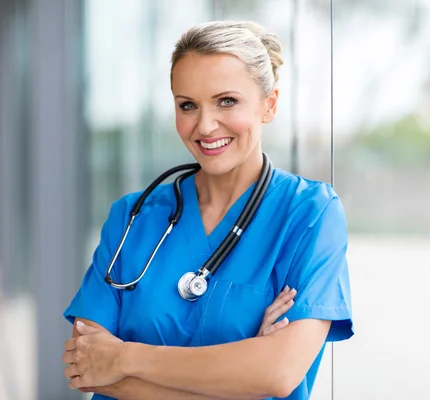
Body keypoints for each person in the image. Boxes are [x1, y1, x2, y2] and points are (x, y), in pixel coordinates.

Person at [61, 20, 353, 400]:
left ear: (270, 104)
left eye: (226, 101)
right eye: (188, 105)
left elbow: (279, 373)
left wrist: (124, 357)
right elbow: (86, 369)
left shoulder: (310, 214)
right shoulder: (132, 216)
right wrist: (242, 373)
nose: (205, 125)